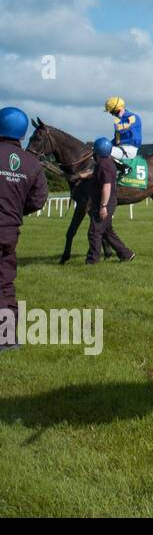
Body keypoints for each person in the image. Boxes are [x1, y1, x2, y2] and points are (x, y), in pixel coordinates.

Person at [0, 107, 48, 352]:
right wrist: (15, 211)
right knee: (5, 283)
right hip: (9, 231)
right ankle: (8, 339)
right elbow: (38, 200)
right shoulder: (32, 164)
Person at [86, 138, 135, 265]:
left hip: (106, 203)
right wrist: (83, 175)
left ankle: (92, 261)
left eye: (94, 150)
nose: (93, 152)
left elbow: (106, 186)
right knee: (107, 231)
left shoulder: (104, 165)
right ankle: (126, 254)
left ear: (98, 151)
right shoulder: (106, 161)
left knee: (94, 232)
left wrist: (103, 207)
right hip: (108, 202)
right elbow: (97, 175)